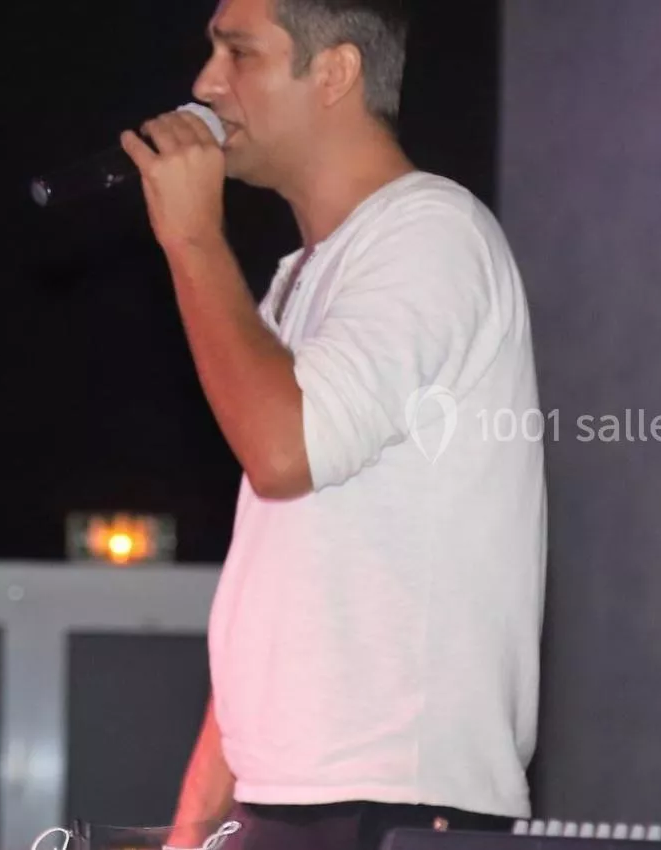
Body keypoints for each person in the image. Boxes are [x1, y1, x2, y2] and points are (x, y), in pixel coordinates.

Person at [118, 1, 547, 848]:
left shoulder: (430, 234)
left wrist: (192, 239)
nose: (205, 84)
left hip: (389, 796)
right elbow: (285, 575)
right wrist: (195, 823)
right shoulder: (296, 281)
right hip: (293, 793)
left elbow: (286, 452)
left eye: (239, 53)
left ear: (336, 73)